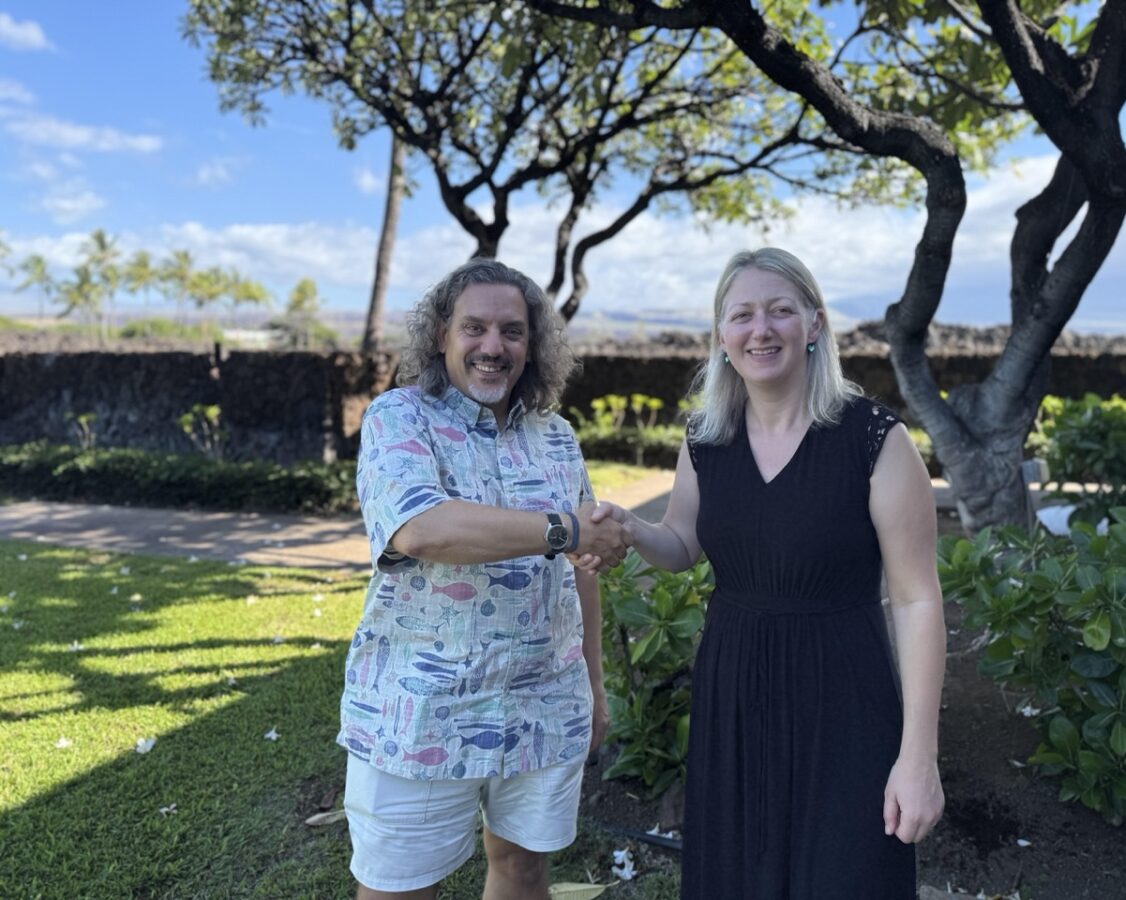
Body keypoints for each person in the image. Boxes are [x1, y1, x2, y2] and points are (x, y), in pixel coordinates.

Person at [584, 247, 945, 897]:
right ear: (722, 337)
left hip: (845, 700)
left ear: (815, 324)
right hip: (735, 694)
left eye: (781, 311)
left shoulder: (876, 441)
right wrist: (634, 531)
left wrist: (918, 757)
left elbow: (918, 600)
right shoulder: (706, 438)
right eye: (742, 314)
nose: (762, 329)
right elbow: (682, 542)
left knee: (846, 875)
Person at [338, 258, 627, 900]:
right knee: (397, 888)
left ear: (532, 345)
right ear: (441, 334)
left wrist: (595, 686)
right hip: (419, 710)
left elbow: (582, 577)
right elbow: (422, 529)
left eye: (512, 331)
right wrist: (568, 528)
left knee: (523, 870)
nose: (493, 347)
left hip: (544, 702)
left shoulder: (556, 437)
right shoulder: (399, 418)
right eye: (475, 328)